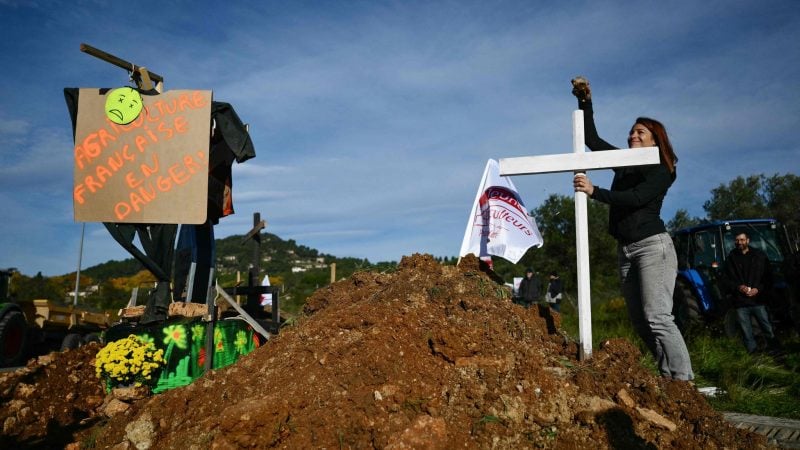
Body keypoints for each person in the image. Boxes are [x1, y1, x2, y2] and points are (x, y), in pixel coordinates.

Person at [570, 76, 693, 381]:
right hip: (625, 249)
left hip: (653, 247)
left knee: (658, 317)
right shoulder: (624, 163)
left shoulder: (663, 168)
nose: (632, 135)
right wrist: (585, 101)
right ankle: (667, 377)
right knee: (640, 321)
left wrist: (595, 192)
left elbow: (637, 198)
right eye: (631, 131)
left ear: (655, 140)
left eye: (641, 132)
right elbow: (592, 140)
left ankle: (683, 380)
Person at [723, 232, 780, 353]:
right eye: (737, 240)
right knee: (746, 332)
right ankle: (753, 355)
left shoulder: (759, 256)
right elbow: (726, 279)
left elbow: (768, 277)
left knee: (767, 327)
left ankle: (776, 351)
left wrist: (757, 289)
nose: (739, 242)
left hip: (758, 300)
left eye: (742, 240)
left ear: (748, 241)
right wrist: (739, 287)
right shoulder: (730, 259)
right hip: (740, 302)